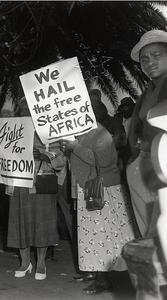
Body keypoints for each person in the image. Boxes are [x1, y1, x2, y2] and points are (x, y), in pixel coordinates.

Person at [60, 114, 136, 294]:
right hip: (91, 188)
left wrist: (74, 147)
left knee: (102, 236)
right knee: (95, 237)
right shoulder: (84, 132)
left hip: (102, 190)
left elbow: (103, 160)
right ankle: (99, 277)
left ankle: (106, 280)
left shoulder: (100, 133)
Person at [6, 99, 63, 280]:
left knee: (42, 224)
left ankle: (40, 263)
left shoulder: (51, 131)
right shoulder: (12, 130)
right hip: (19, 183)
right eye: (24, 107)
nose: (28, 110)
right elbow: (3, 155)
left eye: (31, 107)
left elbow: (61, 160)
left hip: (41, 184)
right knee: (20, 222)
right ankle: (24, 262)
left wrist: (45, 156)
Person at [127, 29, 167, 238]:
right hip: (142, 166)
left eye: (156, 55)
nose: (149, 62)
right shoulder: (149, 91)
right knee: (150, 236)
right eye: (144, 59)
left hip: (162, 169)